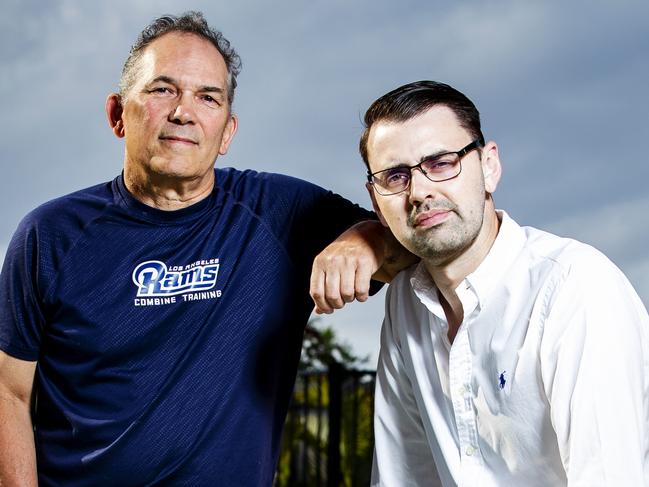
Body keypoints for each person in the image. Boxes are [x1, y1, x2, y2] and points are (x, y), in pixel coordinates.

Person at [0, 12, 408, 486]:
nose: (183, 111)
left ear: (228, 131)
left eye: (207, 97)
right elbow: (8, 393)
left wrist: (366, 239)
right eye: (162, 90)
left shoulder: (280, 213)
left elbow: (415, 246)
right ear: (117, 115)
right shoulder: (50, 236)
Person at [360, 80, 649, 486]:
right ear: (377, 201)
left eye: (441, 162)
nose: (420, 192)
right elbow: (402, 477)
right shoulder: (405, 303)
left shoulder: (576, 287)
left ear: (489, 167)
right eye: (395, 177)